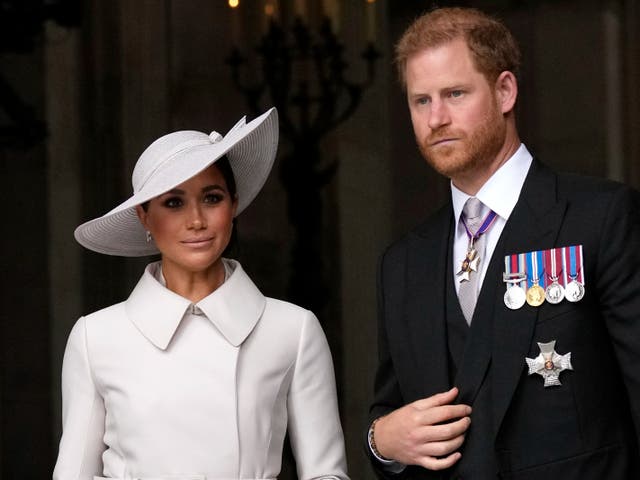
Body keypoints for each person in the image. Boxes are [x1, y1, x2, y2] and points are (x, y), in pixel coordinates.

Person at [367, 7, 640, 480]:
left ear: (505, 91)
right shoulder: (402, 264)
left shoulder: (601, 217)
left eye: (455, 93)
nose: (436, 118)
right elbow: (390, 413)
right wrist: (381, 443)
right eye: (420, 101)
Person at [53, 107, 349, 480]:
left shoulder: (293, 329)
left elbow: (326, 474)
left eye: (212, 198)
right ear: (144, 217)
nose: (196, 220)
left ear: (234, 203)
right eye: (173, 203)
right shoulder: (95, 338)